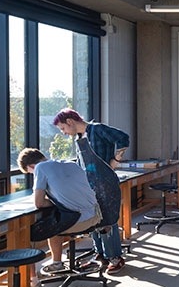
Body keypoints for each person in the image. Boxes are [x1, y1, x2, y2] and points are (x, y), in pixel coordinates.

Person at [53, 108, 129, 274]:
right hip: (90, 185)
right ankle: (100, 254)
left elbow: (123, 138)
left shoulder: (98, 129)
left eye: (63, 128)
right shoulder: (79, 139)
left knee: (108, 219)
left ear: (70, 121)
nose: (64, 133)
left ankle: (115, 257)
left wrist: (115, 160)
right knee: (94, 217)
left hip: (106, 183)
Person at [18, 147, 101, 279]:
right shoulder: (70, 164)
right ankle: (56, 263)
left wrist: (52, 201)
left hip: (79, 219)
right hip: (96, 215)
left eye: (30, 173)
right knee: (55, 219)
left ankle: (37, 277)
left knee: (36, 230)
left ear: (32, 166)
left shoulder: (40, 168)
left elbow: (38, 203)